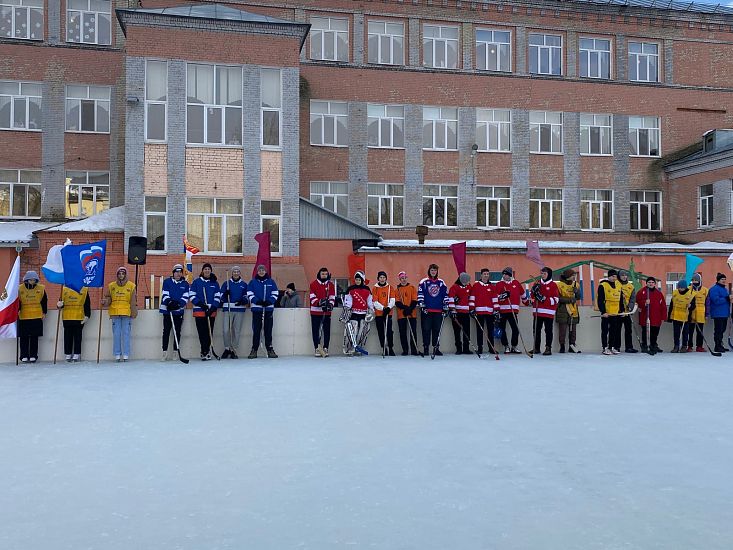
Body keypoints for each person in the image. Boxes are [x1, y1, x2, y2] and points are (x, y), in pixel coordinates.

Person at [101, 266, 137, 362]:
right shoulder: (111, 286)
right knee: (116, 334)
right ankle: (117, 354)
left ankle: (126, 354)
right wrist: (104, 302)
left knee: (126, 334)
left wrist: (134, 312)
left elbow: (133, 301)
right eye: (119, 274)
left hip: (126, 313)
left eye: (123, 274)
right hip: (115, 313)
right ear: (117, 275)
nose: (121, 275)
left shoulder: (131, 286)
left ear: (125, 275)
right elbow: (108, 299)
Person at [189, 263, 220, 361]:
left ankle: (208, 350)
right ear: (203, 271)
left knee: (209, 332)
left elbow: (217, 296)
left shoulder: (215, 283)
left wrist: (213, 307)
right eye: (205, 269)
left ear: (211, 271)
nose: (207, 271)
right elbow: (192, 296)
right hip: (199, 311)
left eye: (209, 269)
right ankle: (204, 351)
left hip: (211, 312)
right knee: (202, 332)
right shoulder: (196, 282)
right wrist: (201, 304)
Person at [247, 265, 279, 359]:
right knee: (256, 330)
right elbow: (249, 293)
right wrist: (258, 301)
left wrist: (269, 301)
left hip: (268, 310)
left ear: (265, 271)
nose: (261, 272)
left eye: (263, 270)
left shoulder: (271, 282)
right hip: (257, 309)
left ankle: (270, 349)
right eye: (259, 270)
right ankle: (254, 349)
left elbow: (275, 293)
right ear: (257, 272)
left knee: (268, 330)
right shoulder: (253, 282)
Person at [159, 264, 190, 361]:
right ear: (173, 273)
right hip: (167, 311)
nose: (178, 274)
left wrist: (178, 304)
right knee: (166, 331)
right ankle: (164, 352)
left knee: (177, 331)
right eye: (177, 272)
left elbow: (186, 296)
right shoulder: (167, 282)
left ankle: (176, 351)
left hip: (178, 311)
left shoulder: (185, 284)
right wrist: (169, 302)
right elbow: (165, 293)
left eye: (180, 272)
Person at [418, 264, 449, 357]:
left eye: (435, 270)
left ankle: (436, 348)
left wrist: (446, 306)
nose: (433, 272)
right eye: (432, 270)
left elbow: (445, 295)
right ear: (429, 271)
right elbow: (420, 294)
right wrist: (422, 305)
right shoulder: (424, 282)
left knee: (437, 330)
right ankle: (426, 348)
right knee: (426, 330)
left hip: (438, 310)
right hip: (427, 310)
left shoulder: (441, 282)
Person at [342, 270, 374, 355]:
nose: (357, 281)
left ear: (362, 280)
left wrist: (371, 310)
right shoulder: (350, 289)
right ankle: (350, 348)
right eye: (356, 280)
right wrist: (347, 311)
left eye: (359, 280)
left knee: (362, 332)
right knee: (352, 331)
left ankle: (359, 347)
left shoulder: (367, 289)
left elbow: (370, 302)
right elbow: (348, 302)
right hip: (354, 313)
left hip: (364, 314)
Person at [18, 270, 47, 363]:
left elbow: (44, 301)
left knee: (34, 337)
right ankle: (24, 355)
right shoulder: (20, 289)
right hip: (23, 316)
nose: (32, 282)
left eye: (34, 280)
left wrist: (44, 312)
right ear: (26, 280)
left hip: (36, 316)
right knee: (24, 337)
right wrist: (17, 310)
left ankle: (33, 355)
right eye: (30, 280)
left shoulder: (41, 288)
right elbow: (17, 301)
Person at [495, 267, 526, 354]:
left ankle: (514, 345)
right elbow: (495, 298)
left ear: (509, 275)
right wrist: (502, 296)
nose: (504, 276)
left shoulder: (516, 283)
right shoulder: (499, 284)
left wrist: (527, 302)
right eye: (503, 275)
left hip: (513, 310)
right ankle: (506, 346)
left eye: (505, 275)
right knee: (502, 328)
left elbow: (523, 295)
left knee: (515, 328)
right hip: (502, 310)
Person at [469, 268, 499, 356]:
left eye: (487, 274)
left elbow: (495, 299)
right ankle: (480, 347)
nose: (486, 276)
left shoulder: (492, 287)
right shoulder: (476, 285)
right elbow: (472, 297)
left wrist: (496, 310)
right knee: (479, 330)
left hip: (490, 312)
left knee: (490, 330)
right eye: (484, 274)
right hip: (479, 312)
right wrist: (472, 309)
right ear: (481, 275)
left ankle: (491, 347)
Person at [530, 267, 559, 356]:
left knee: (548, 330)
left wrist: (544, 299)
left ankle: (548, 347)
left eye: (545, 273)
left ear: (549, 274)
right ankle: (536, 347)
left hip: (548, 313)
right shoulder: (537, 283)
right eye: (542, 273)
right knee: (536, 330)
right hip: (537, 311)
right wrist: (534, 292)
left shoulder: (553, 285)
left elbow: (556, 299)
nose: (543, 275)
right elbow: (532, 296)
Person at [220, 266, 247, 359]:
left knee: (236, 331)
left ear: (240, 273)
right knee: (226, 330)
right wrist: (225, 295)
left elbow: (246, 297)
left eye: (237, 272)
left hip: (239, 309)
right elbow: (221, 297)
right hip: (228, 309)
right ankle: (227, 348)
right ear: (232, 273)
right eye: (234, 272)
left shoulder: (244, 284)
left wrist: (242, 301)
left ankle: (234, 349)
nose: (236, 273)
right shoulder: (226, 284)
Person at [57, 285, 90, 362]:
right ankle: (68, 354)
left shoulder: (84, 290)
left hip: (79, 317)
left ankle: (76, 354)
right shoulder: (64, 290)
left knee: (78, 337)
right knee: (67, 337)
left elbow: (87, 304)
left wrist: (87, 315)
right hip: (67, 317)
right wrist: (59, 304)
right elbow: (61, 304)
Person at [309, 267, 336, 357]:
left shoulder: (330, 285)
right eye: (322, 274)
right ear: (319, 274)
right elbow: (312, 297)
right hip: (315, 312)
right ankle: (317, 348)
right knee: (315, 330)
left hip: (326, 313)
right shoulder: (313, 284)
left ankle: (325, 347)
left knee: (327, 330)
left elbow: (332, 296)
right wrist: (319, 303)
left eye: (326, 274)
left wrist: (330, 306)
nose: (324, 276)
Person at [597, 269, 624, 356]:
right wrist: (603, 311)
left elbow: (620, 300)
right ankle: (605, 347)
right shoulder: (603, 286)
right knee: (605, 330)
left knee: (614, 330)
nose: (614, 278)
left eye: (615, 276)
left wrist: (622, 310)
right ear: (608, 277)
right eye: (612, 276)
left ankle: (612, 346)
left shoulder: (618, 285)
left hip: (615, 312)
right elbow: (600, 300)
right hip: (607, 312)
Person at [636, 276, 666, 354]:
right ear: (646, 283)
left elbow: (663, 305)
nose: (651, 284)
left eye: (652, 282)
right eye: (649, 282)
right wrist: (645, 302)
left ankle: (653, 344)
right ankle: (645, 345)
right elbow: (637, 303)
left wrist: (663, 316)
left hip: (656, 316)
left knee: (655, 331)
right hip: (646, 316)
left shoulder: (659, 293)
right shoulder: (642, 292)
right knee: (645, 331)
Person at [556, 268, 581, 353]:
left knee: (573, 328)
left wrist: (577, 292)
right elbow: (558, 298)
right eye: (572, 275)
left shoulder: (576, 285)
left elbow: (579, 297)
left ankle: (572, 345)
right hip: (563, 308)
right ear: (568, 276)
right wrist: (568, 300)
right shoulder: (559, 285)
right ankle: (562, 345)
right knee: (562, 328)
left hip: (573, 308)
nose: (573, 277)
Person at [372, 271, 397, 356]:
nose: (382, 279)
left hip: (388, 313)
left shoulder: (390, 287)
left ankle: (391, 347)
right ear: (378, 279)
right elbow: (375, 301)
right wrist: (383, 308)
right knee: (381, 331)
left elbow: (392, 299)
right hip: (379, 313)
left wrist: (388, 308)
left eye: (383, 277)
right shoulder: (375, 288)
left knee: (389, 331)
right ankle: (383, 348)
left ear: (386, 278)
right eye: (380, 277)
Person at [395, 271, 419, 356]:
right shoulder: (397, 290)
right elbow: (397, 301)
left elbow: (414, 299)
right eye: (402, 278)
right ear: (400, 279)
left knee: (413, 332)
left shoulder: (412, 288)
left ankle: (414, 349)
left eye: (405, 278)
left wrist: (410, 309)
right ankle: (405, 349)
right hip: (402, 314)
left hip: (411, 313)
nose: (404, 280)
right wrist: (404, 308)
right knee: (402, 332)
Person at [668, 279, 695, 353]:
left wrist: (690, 306)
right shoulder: (675, 293)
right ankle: (676, 346)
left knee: (685, 332)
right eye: (679, 287)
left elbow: (693, 306)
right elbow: (671, 305)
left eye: (682, 288)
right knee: (676, 332)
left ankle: (684, 346)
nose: (680, 289)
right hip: (675, 315)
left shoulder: (690, 294)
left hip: (685, 317)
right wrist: (669, 317)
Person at [449, 272, 473, 355]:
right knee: (457, 331)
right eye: (468, 280)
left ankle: (466, 348)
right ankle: (458, 348)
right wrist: (452, 310)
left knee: (467, 330)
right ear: (464, 280)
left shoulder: (469, 287)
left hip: (466, 312)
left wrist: (471, 308)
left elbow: (471, 297)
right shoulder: (454, 287)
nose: (469, 282)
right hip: (458, 312)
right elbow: (451, 298)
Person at [708, 273, 730, 353]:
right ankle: (717, 345)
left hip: (724, 313)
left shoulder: (725, 289)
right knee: (718, 330)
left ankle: (720, 344)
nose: (724, 281)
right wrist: (726, 299)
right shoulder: (714, 289)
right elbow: (716, 301)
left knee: (722, 329)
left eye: (724, 279)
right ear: (718, 280)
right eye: (722, 279)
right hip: (718, 313)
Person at [687, 273, 709, 352]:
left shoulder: (705, 290)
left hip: (701, 312)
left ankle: (699, 346)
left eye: (696, 280)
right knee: (690, 330)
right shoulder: (689, 289)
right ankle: (689, 346)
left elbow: (708, 303)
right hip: (691, 312)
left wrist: (707, 313)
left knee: (700, 330)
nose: (695, 281)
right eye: (693, 280)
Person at [618, 270, 638, 353]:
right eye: (622, 275)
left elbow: (633, 298)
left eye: (625, 275)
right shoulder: (616, 284)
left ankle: (629, 347)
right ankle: (616, 346)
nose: (624, 277)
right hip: (618, 311)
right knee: (617, 330)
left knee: (628, 330)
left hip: (627, 312)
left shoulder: (630, 286)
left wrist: (630, 307)